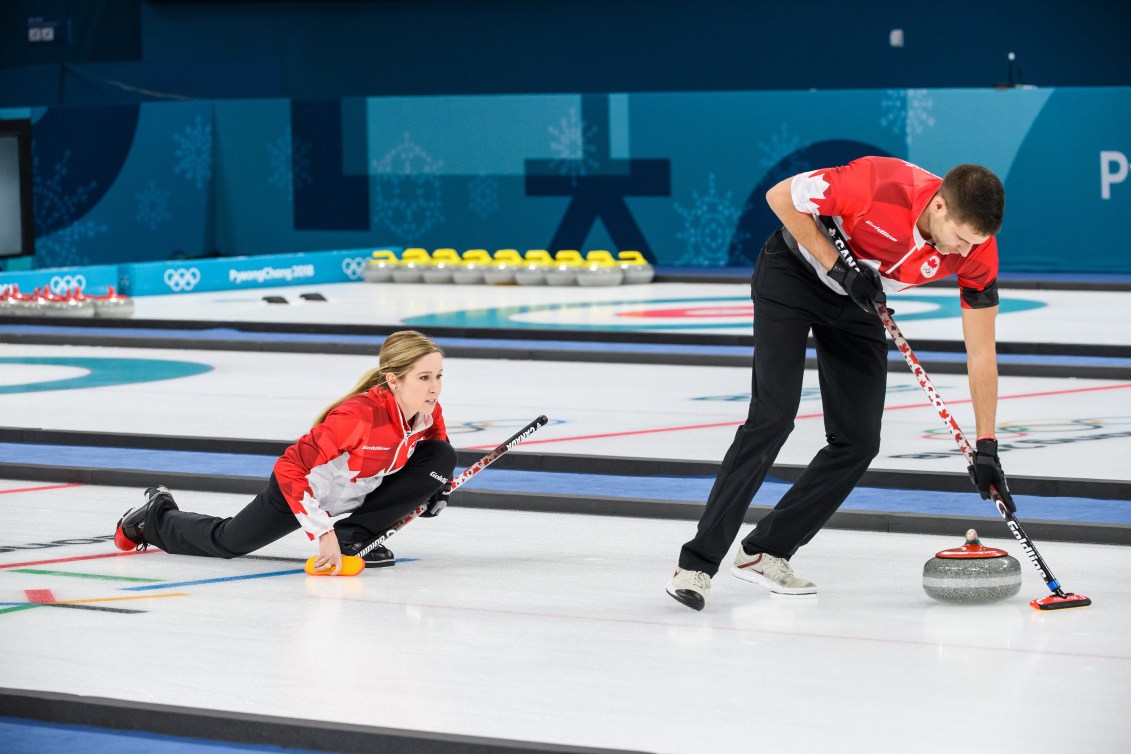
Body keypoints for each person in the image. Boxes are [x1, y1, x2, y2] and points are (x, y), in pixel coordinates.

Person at [667, 157, 1014, 610]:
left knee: (858, 441)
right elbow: (780, 197)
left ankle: (766, 550)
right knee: (772, 418)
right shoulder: (878, 183)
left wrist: (985, 444)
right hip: (793, 274)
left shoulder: (978, 251)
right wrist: (839, 267)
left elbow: (981, 351)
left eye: (977, 245)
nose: (966, 254)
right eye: (962, 240)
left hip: (858, 302)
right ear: (941, 207)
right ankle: (696, 563)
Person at [113, 330, 456, 575]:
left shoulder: (427, 413)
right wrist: (323, 534)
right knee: (228, 543)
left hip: (362, 492)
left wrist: (436, 488)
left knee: (442, 456)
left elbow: (436, 452)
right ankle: (154, 518)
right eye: (424, 377)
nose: (435, 387)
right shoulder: (358, 417)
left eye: (439, 376)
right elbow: (291, 467)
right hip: (303, 492)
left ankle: (354, 537)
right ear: (394, 380)